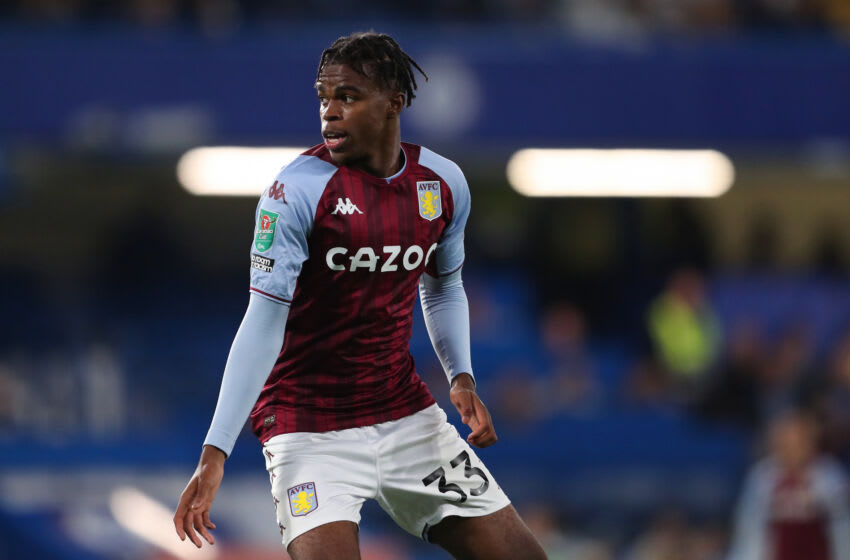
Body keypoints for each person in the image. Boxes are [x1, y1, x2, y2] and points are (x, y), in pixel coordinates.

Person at [172, 31, 547, 560]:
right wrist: (215, 453)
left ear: (393, 102)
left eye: (347, 96)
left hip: (405, 416)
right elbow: (262, 321)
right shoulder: (295, 191)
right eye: (324, 97)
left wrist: (460, 375)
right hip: (308, 426)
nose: (330, 112)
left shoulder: (442, 183)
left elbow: (442, 286)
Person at [728, 409, 850, 560]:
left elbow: (843, 532)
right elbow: (749, 531)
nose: (792, 450)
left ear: (811, 443)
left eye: (798, 443)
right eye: (785, 443)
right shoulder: (762, 479)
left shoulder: (830, 477)